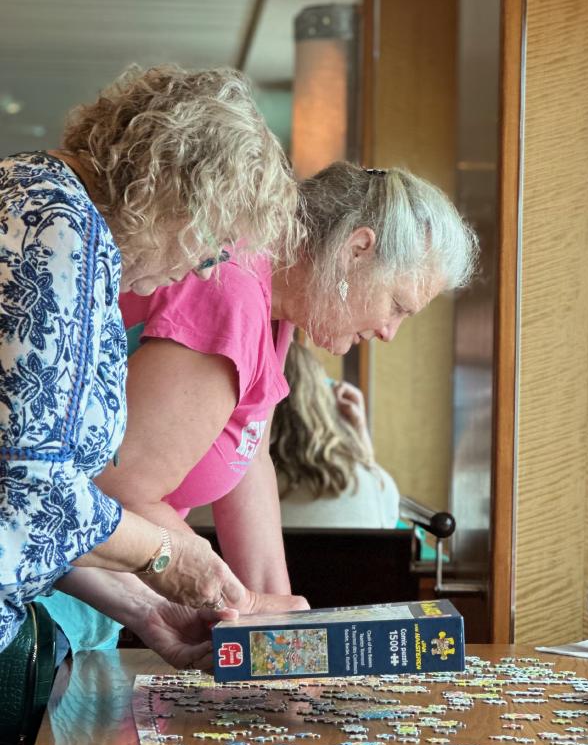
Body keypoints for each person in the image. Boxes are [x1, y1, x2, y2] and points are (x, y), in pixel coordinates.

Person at [85, 161, 477, 637]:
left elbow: (247, 459)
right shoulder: (232, 293)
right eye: (396, 306)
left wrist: (282, 625)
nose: (389, 333)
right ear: (357, 249)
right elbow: (116, 491)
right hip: (47, 595)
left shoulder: (277, 307)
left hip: (109, 598)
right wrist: (239, 601)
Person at [0, 63, 306, 666]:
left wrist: (148, 608)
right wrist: (164, 553)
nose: (203, 270)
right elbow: (35, 495)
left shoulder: (32, 188)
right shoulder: (60, 233)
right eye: (212, 246)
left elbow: (29, 513)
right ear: (179, 199)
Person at [271, 341, 400, 528]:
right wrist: (360, 440)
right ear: (323, 400)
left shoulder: (228, 485)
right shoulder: (373, 486)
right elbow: (386, 518)